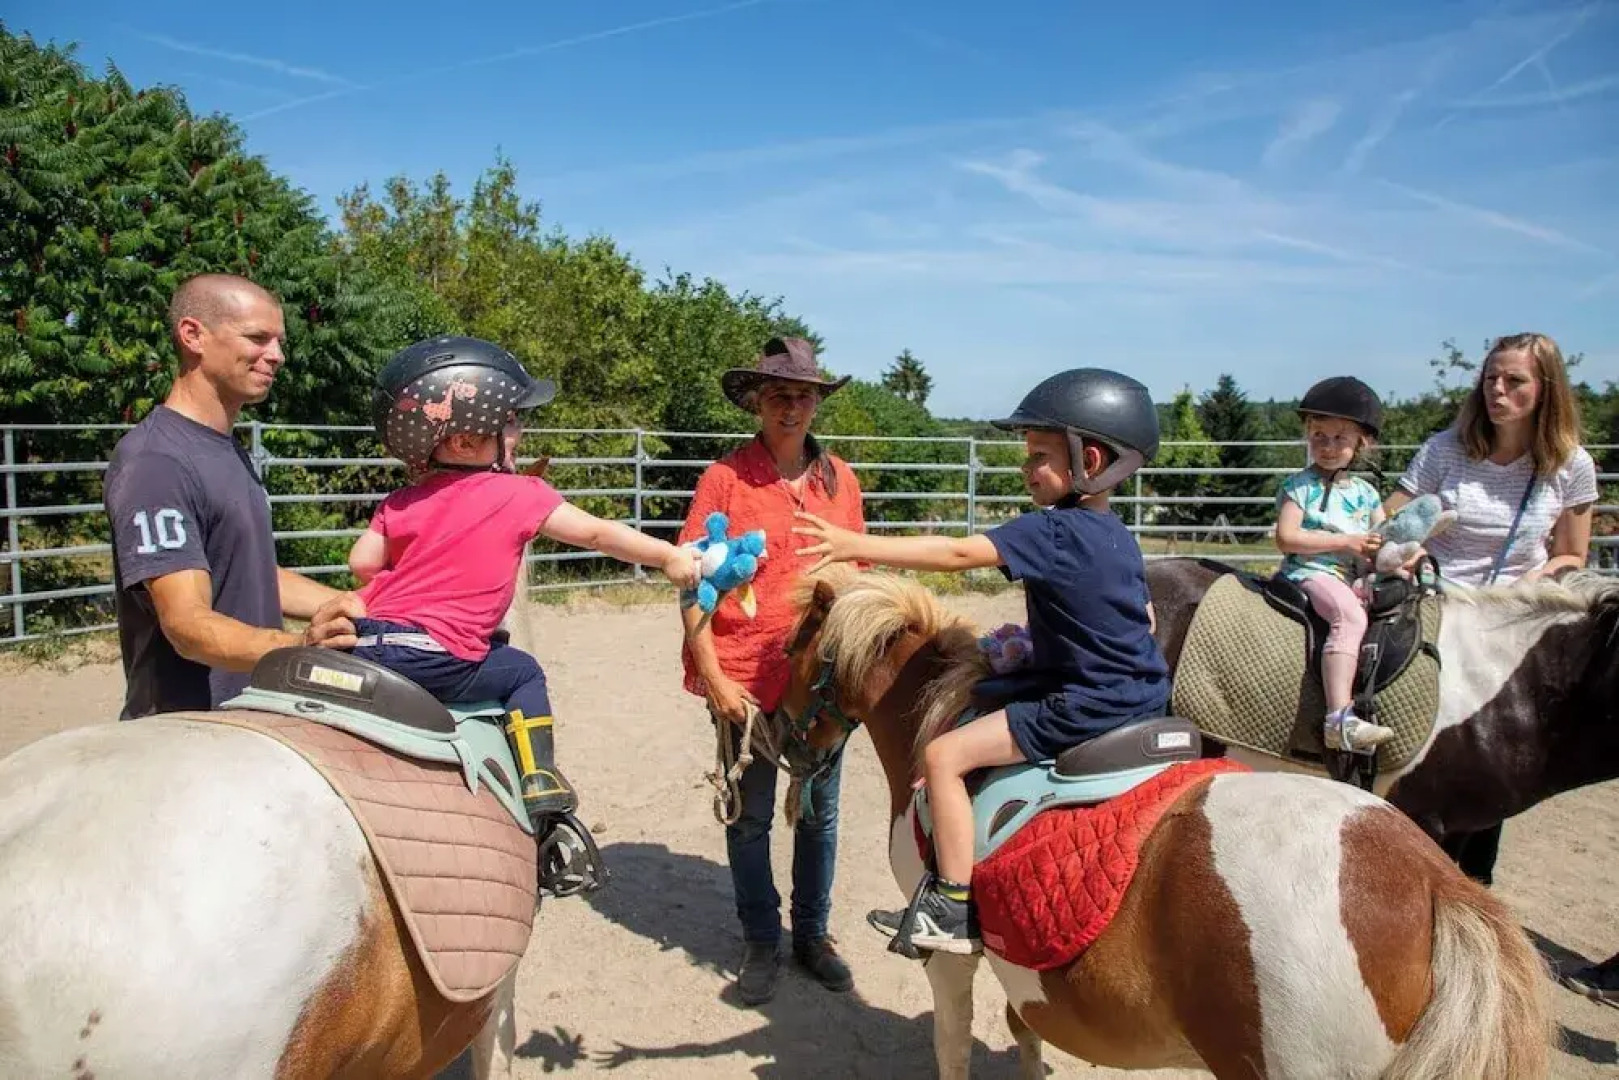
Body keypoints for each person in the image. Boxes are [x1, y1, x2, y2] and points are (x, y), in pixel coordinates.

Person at [794, 368, 1169, 956]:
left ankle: (950, 903)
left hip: (1086, 706)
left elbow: (958, 551)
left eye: (1040, 455)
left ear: (1090, 459)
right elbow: (1141, 619)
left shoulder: (1055, 530)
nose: (1026, 469)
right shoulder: (1115, 531)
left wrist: (855, 546)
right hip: (1144, 697)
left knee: (944, 756)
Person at [348, 336, 699, 887]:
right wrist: (669, 556)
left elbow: (363, 563)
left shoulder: (399, 501)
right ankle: (540, 782)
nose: (520, 432)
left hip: (369, 643)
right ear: (467, 435)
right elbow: (599, 533)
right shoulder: (521, 494)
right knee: (521, 672)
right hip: (439, 656)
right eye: (512, 421)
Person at [678, 336, 866, 1006]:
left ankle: (810, 935)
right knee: (750, 814)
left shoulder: (839, 480)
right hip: (745, 676)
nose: (791, 408)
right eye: (779, 395)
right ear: (758, 402)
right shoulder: (724, 480)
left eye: (803, 395)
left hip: (819, 685)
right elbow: (690, 580)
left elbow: (856, 582)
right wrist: (714, 676)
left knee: (819, 812)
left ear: (817, 402)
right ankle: (761, 937)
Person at [1383, 332, 1598, 886]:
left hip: (1506, 630)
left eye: (1514, 381)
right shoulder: (1445, 449)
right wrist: (1412, 546)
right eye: (1490, 379)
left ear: (1545, 389)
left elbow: (1571, 553)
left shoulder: (1570, 466)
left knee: (1492, 753)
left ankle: (1472, 884)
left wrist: (1533, 582)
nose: (1496, 390)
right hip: (1432, 606)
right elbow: (1394, 517)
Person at [104, 273, 362, 721]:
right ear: (193, 336)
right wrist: (299, 646)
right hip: (190, 732)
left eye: (279, 341)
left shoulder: (222, 448)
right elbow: (186, 624)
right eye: (258, 338)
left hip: (247, 720)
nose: (277, 355)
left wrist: (361, 608)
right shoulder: (156, 462)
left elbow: (245, 571)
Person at [1272, 376, 1396, 754]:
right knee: (1350, 617)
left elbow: (1379, 536)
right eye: (1319, 436)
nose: (1327, 447)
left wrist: (1389, 551)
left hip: (1351, 575)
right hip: (1310, 572)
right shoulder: (1300, 487)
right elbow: (1287, 538)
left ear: (1362, 442)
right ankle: (1338, 718)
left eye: (1339, 437)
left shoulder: (1365, 492)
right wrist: (1346, 541)